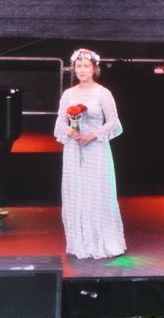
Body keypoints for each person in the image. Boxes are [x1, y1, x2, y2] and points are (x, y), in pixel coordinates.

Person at [54, 48, 126, 259]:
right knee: (76, 192)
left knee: (96, 192)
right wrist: (71, 131)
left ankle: (101, 240)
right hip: (74, 148)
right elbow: (60, 121)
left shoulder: (103, 93)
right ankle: (80, 242)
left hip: (95, 148)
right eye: (79, 66)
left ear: (95, 69)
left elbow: (113, 121)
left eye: (86, 66)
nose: (82, 70)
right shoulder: (68, 94)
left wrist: (93, 135)